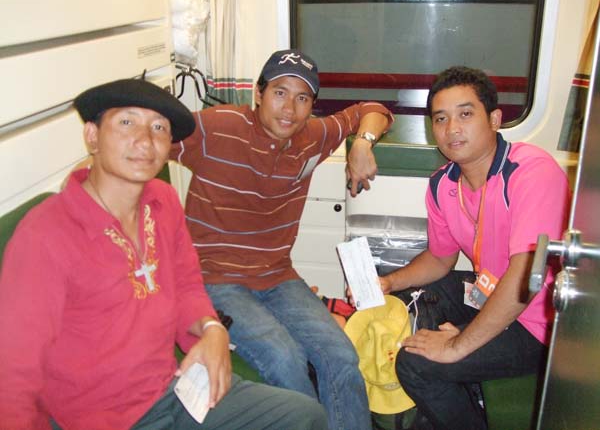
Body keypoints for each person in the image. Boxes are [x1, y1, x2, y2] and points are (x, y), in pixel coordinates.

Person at [0, 78, 328, 430]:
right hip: (102, 417)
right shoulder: (46, 233)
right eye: (127, 122)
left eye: (159, 128)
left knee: (305, 416)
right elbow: (13, 373)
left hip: (172, 390)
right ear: (92, 136)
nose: (145, 140)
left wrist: (212, 329)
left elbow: (186, 285)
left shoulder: (163, 201)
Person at [171, 49, 394, 430]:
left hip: (277, 276)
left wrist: (362, 143)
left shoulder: (312, 137)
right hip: (215, 279)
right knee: (285, 358)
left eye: (302, 98)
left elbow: (374, 110)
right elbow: (151, 138)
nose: (289, 109)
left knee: (341, 354)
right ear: (258, 94)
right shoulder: (217, 127)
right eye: (279, 93)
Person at [376, 66, 570, 429]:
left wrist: (458, 345)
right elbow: (439, 259)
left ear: (494, 119)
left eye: (465, 114)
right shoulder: (443, 184)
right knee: (414, 297)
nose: (452, 129)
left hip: (540, 322)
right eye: (441, 119)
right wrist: (388, 282)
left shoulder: (530, 173)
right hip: (490, 291)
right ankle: (461, 393)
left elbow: (525, 280)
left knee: (415, 365)